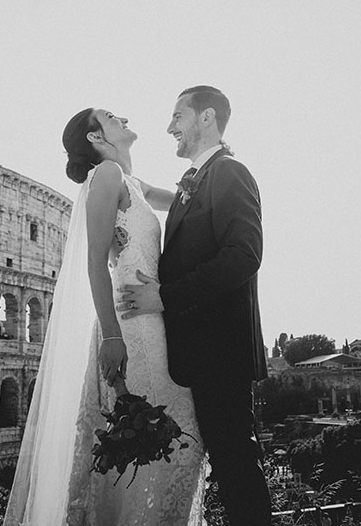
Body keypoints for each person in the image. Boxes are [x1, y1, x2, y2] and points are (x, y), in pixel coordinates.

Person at [3, 108, 206, 525]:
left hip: (153, 318)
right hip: (132, 325)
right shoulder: (108, 174)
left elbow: (191, 199)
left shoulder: (131, 181)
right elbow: (96, 264)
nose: (124, 117)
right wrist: (112, 338)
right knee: (168, 440)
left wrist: (209, 169)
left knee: (169, 443)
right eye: (112, 116)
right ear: (96, 138)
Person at [119, 86, 271, 525]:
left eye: (177, 116)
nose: (169, 127)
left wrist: (163, 296)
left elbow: (244, 256)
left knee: (236, 466)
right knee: (229, 465)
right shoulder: (198, 181)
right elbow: (186, 232)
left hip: (221, 352)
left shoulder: (230, 173)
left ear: (206, 118)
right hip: (203, 354)